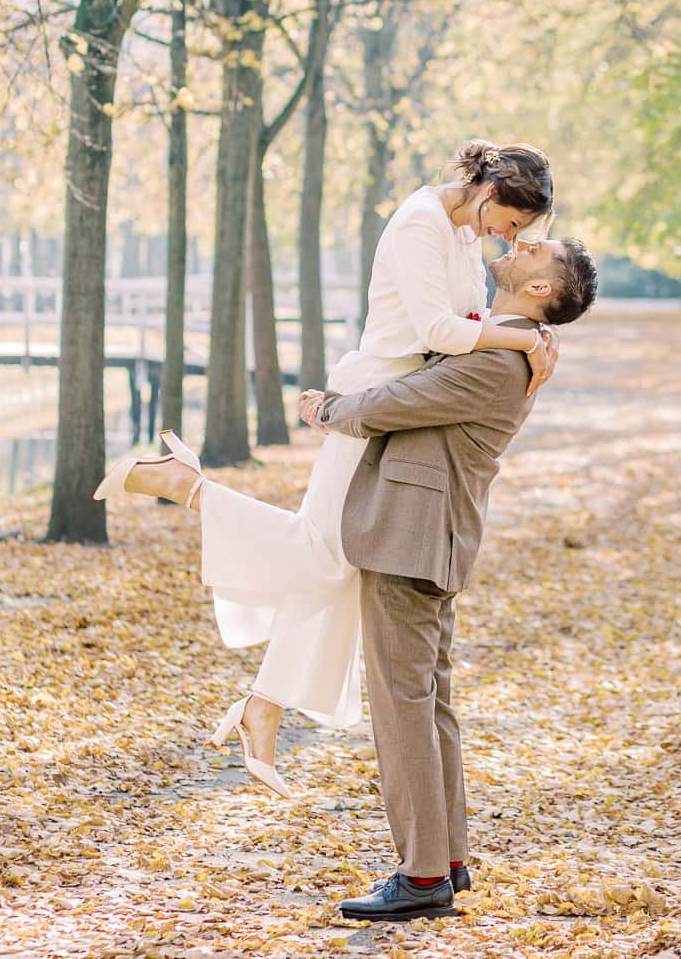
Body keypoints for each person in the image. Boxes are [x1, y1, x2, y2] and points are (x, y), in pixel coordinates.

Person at [94, 139, 558, 795]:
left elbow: (469, 317)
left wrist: (532, 334)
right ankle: (182, 484)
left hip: (401, 410)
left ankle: (263, 707)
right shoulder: (421, 222)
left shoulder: (459, 233)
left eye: (517, 233)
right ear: (490, 192)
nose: (505, 237)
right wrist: (526, 337)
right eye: (510, 222)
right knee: (321, 552)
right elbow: (439, 330)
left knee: (341, 568)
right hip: (374, 398)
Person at [300, 233, 599, 923]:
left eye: (535, 250)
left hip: (412, 538)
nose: (519, 245)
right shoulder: (507, 345)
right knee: (429, 702)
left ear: (542, 290)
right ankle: (449, 858)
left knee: (404, 703)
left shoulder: (500, 359)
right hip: (426, 535)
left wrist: (326, 410)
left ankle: (424, 872)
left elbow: (398, 400)